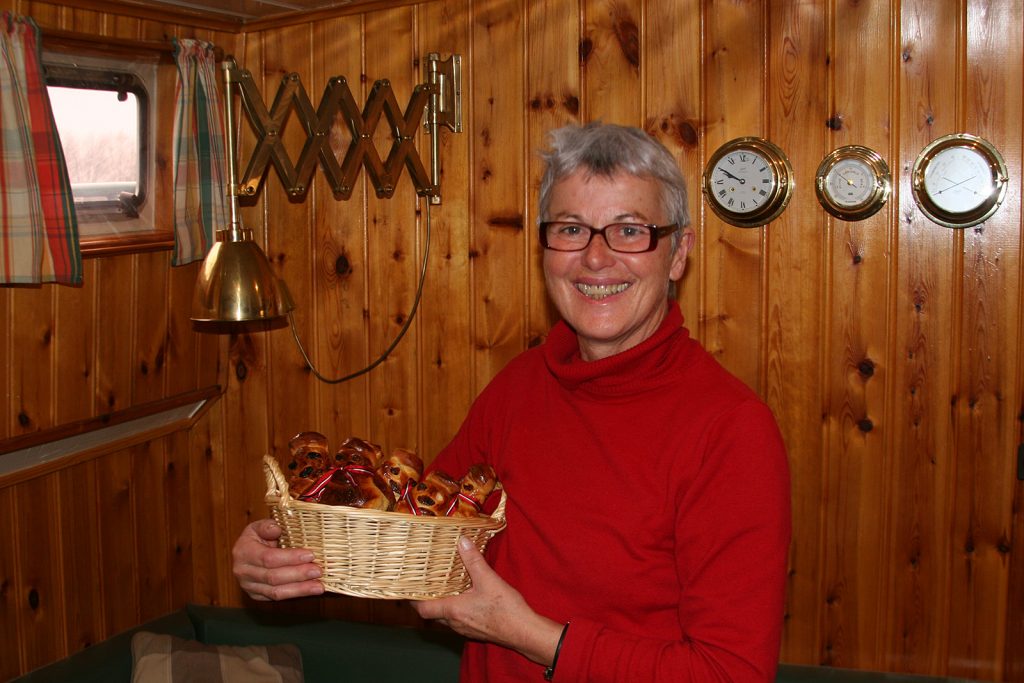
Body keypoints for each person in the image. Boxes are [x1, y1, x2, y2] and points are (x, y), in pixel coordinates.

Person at [232, 122, 791, 682]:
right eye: (572, 229)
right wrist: (292, 551)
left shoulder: (731, 430)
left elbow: (731, 673)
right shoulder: (519, 386)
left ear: (677, 254)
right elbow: (422, 543)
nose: (596, 259)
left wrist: (525, 634)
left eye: (628, 231)